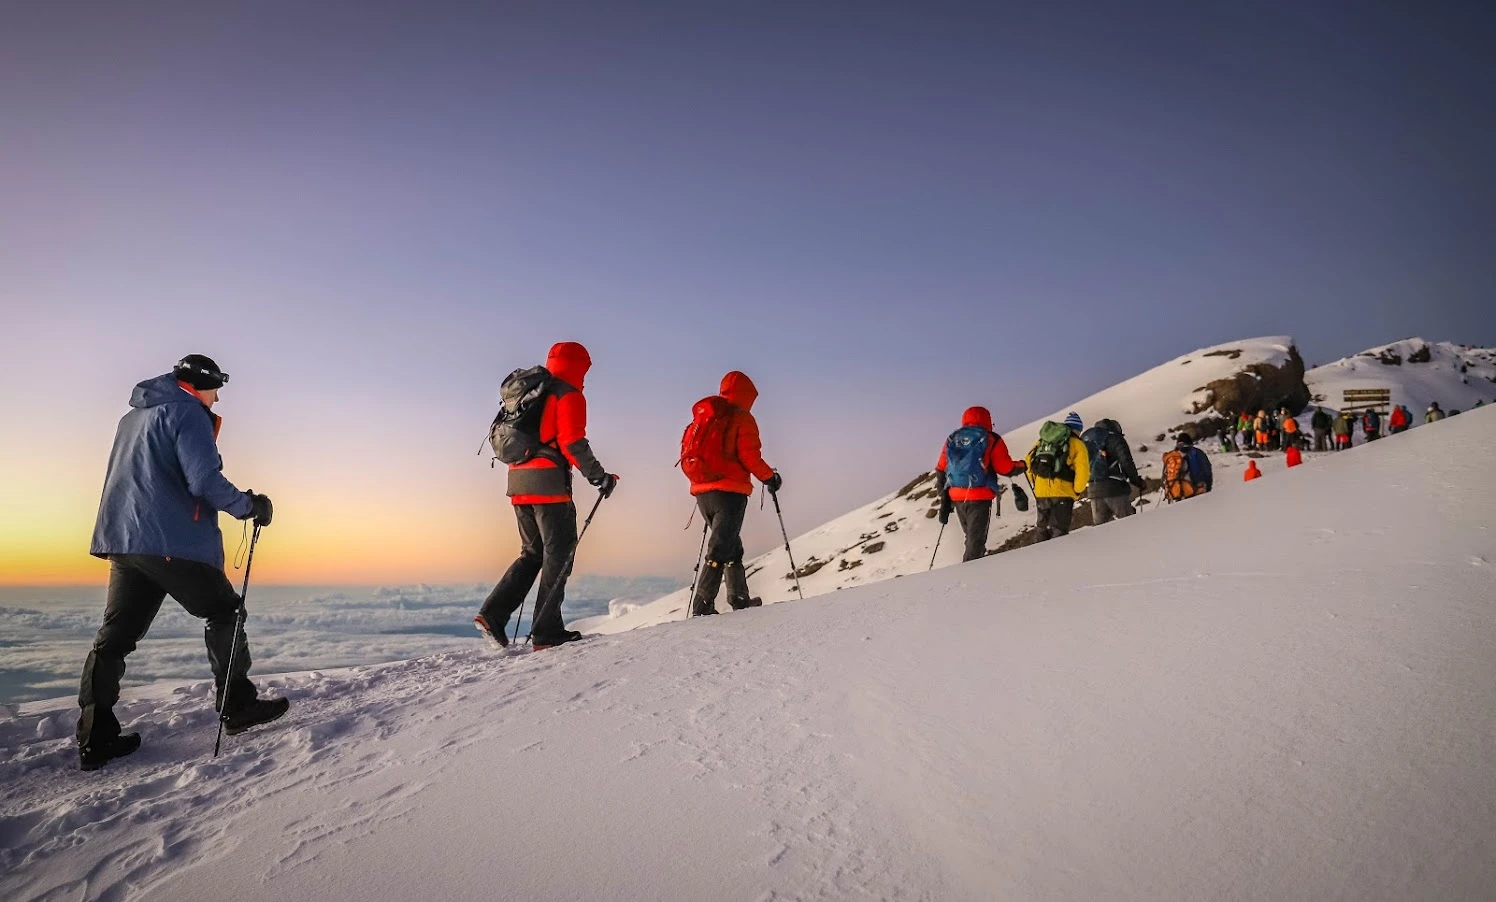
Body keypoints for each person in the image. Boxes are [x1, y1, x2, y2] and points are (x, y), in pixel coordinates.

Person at [79, 355, 282, 771]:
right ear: (199, 385)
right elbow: (203, 480)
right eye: (216, 389)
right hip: (169, 540)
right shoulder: (189, 414)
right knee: (224, 610)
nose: (217, 398)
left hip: (125, 540)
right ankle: (237, 705)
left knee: (114, 639)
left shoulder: (132, 419)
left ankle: (95, 737)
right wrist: (249, 506)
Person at [475, 342, 618, 650]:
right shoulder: (568, 394)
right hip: (549, 486)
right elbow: (572, 442)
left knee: (532, 554)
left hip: (518, 483)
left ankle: (492, 615)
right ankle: (547, 632)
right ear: (578, 366)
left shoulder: (533, 392)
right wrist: (599, 477)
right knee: (559, 554)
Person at [681, 371, 781, 613]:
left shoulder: (708, 416)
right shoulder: (741, 418)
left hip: (702, 492)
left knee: (731, 545)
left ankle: (739, 598)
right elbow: (749, 456)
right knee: (720, 547)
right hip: (729, 493)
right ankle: (702, 605)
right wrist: (770, 477)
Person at [933, 407, 1026, 562]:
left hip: (956, 496)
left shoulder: (953, 438)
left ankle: (973, 568)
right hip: (979, 496)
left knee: (971, 538)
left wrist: (944, 497)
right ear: (988, 421)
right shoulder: (991, 438)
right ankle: (970, 572)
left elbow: (941, 468)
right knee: (976, 543)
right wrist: (1021, 466)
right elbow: (1005, 468)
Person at [1024, 412, 1090, 542]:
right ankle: (1057, 555)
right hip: (1063, 493)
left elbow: (1028, 461)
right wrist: (1077, 491)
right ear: (1077, 429)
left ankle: (1039, 553)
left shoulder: (1042, 442)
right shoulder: (1077, 443)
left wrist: (1036, 483)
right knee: (1059, 532)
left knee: (1042, 530)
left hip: (1041, 493)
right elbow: (1083, 471)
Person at [1080, 418, 1145, 525]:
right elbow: (1126, 461)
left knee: (1102, 529)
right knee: (1130, 524)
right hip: (1114, 487)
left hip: (1093, 489)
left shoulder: (1089, 441)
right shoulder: (1115, 438)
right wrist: (1136, 481)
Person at [1161, 434, 1213, 501]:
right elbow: (1207, 470)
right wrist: (1208, 487)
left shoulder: (1172, 456)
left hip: (1177, 492)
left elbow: (1165, 476)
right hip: (1196, 489)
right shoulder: (1196, 453)